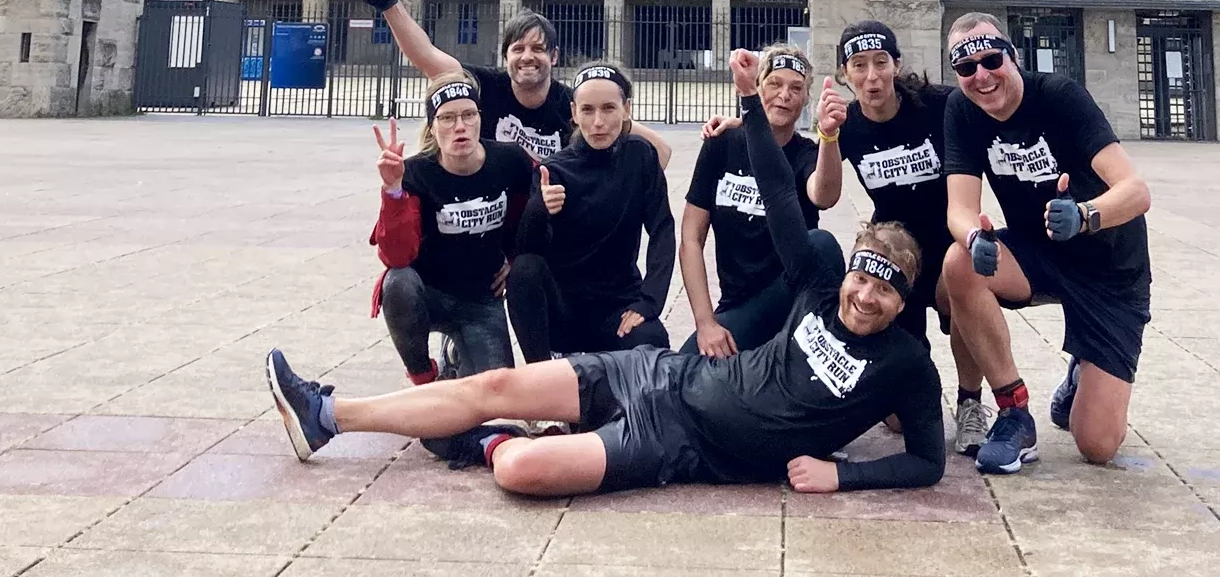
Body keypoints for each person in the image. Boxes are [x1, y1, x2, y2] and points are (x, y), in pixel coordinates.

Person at [265, 48, 944, 498]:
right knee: (494, 382)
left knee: (521, 469)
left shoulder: (906, 364)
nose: (865, 294)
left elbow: (927, 462)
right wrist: (749, 107)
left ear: (902, 299)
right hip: (658, 376)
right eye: (864, 276)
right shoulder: (821, 289)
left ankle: (479, 440)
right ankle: (326, 412)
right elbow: (779, 197)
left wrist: (843, 474)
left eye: (884, 288)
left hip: (678, 443)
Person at [939, 12, 1152, 476]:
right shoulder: (961, 110)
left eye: (991, 59)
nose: (981, 76)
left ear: (1012, 56)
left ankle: (1083, 372)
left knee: (1097, 445)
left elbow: (1137, 192)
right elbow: (959, 208)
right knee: (958, 264)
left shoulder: (1059, 97)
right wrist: (974, 236)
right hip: (1039, 255)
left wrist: (1085, 215)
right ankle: (1014, 414)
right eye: (966, 68)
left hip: (1110, 268)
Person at [803, 20, 993, 457]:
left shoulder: (938, 105)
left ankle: (970, 401)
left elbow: (994, 114)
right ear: (845, 74)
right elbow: (824, 196)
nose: (872, 76)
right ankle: (911, 383)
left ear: (896, 65)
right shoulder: (845, 124)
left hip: (947, 243)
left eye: (880, 63)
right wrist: (827, 135)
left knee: (962, 289)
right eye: (859, 65)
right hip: (898, 257)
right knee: (898, 423)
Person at [360, 0, 671, 167]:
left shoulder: (573, 106)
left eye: (538, 48)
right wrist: (390, 5)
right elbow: (426, 56)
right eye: (518, 48)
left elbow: (662, 151)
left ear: (554, 56)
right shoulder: (483, 86)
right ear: (505, 56)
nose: (527, 57)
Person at [368, 74, 534, 386]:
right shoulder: (416, 172)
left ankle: (458, 353)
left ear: (479, 119)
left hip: (481, 301)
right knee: (397, 282)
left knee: (496, 394)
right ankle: (424, 377)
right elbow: (397, 256)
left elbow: (531, 218)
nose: (460, 126)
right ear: (433, 126)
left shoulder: (509, 161)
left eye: (469, 115)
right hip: (428, 294)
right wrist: (393, 191)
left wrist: (515, 259)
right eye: (447, 118)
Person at [506, 63, 673, 362]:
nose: (598, 122)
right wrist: (539, 208)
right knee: (524, 269)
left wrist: (649, 302)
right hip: (564, 309)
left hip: (617, 305)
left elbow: (662, 229)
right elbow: (527, 253)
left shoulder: (640, 156)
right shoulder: (554, 170)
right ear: (574, 112)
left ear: (626, 109)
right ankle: (540, 379)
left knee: (653, 342)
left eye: (609, 108)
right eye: (587, 110)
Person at [680, 43, 837, 359]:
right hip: (738, 308)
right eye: (774, 84)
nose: (784, 95)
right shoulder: (721, 144)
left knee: (822, 245)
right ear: (758, 86)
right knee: (681, 372)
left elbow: (824, 194)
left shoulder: (806, 153)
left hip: (790, 302)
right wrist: (705, 323)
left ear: (806, 98)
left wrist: (829, 135)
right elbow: (690, 237)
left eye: (796, 88)